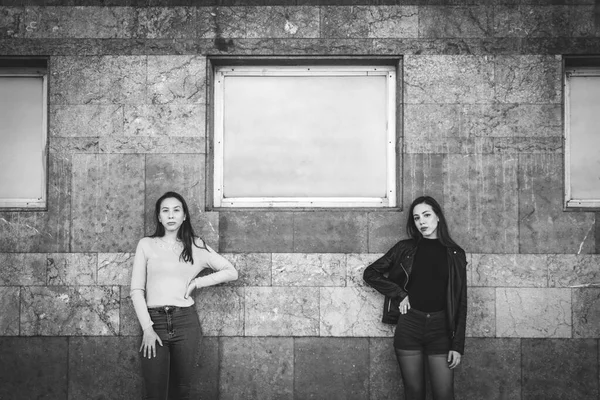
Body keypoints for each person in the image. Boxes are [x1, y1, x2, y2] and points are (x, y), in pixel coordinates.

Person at [130, 191, 238, 400]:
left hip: (186, 322)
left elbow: (231, 272)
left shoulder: (196, 246)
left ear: (184, 216)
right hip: (155, 323)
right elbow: (136, 290)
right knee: (155, 392)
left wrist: (198, 282)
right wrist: (147, 329)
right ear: (159, 217)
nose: (171, 215)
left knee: (181, 390)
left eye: (176, 210)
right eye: (165, 211)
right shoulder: (146, 244)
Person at [363, 196, 467, 400]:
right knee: (414, 394)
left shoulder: (456, 254)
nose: (422, 222)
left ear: (438, 216)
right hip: (410, 325)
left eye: (427, 215)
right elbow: (371, 273)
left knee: (444, 395)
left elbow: (461, 301)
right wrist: (400, 294)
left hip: (441, 329)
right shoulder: (405, 249)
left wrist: (457, 345)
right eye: (417, 218)